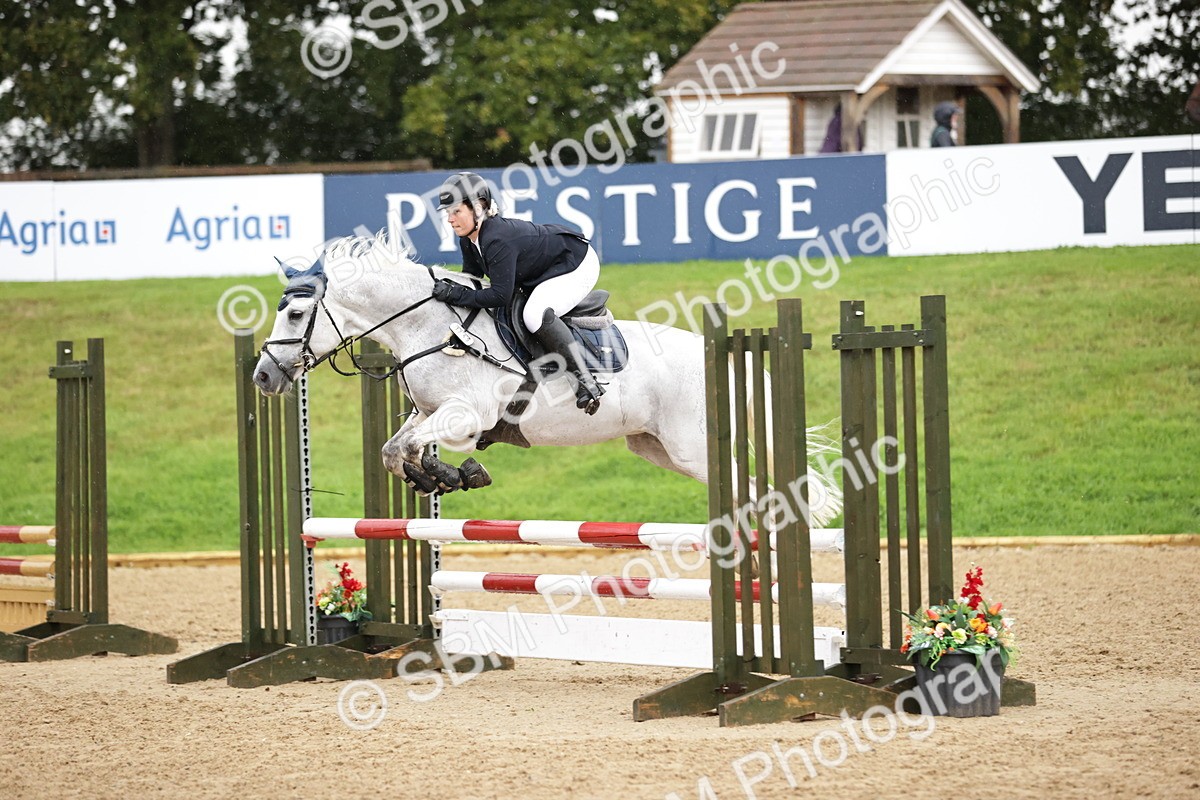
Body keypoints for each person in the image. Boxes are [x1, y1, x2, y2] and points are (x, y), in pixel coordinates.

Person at [430, 172, 605, 415]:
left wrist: (454, 294)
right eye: (447, 212)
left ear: (479, 208)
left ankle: (586, 382)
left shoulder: (496, 239)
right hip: (546, 265)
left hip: (575, 263)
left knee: (534, 314)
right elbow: (475, 282)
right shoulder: (469, 239)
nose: (449, 219)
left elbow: (501, 295)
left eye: (456, 211)